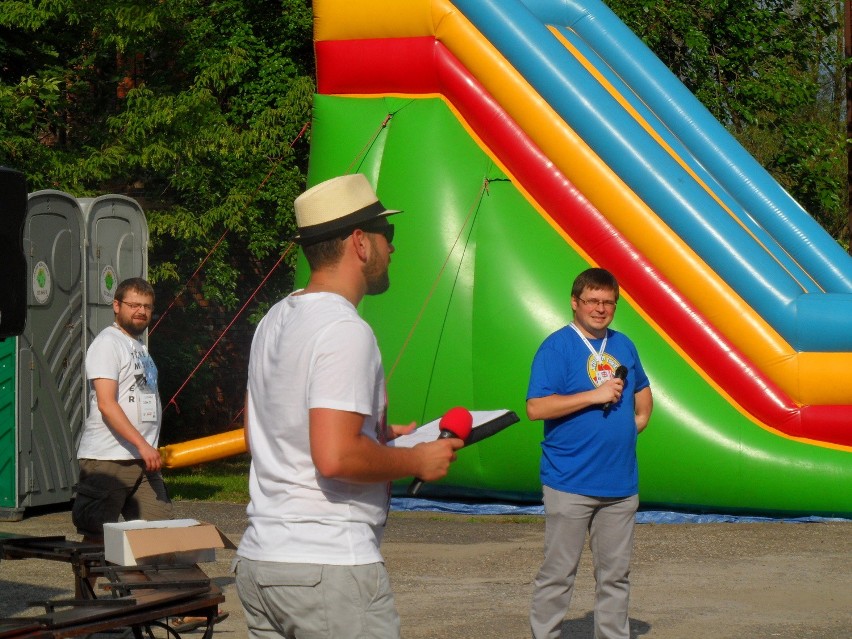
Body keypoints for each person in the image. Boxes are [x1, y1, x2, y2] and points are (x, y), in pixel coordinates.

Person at [234, 173, 464, 639]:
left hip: (262, 560)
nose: (392, 249)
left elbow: (263, 431)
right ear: (360, 243)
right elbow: (335, 456)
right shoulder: (345, 330)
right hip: (328, 565)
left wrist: (377, 440)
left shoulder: (275, 319)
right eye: (388, 235)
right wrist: (416, 458)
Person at [526, 267, 653, 639]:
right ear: (575, 302)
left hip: (620, 485)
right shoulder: (556, 346)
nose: (600, 308)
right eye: (592, 300)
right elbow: (536, 408)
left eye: (608, 302)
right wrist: (594, 396)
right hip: (570, 483)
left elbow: (642, 395)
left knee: (615, 577)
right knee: (558, 575)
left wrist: (631, 425)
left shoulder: (623, 344)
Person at [72, 277, 171, 545]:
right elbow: (106, 404)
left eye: (147, 307)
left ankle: (144, 588)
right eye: (134, 304)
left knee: (159, 535)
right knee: (97, 538)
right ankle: (86, 589)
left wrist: (146, 448)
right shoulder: (108, 343)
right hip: (109, 459)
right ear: (117, 305)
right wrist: (143, 445)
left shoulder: (139, 347)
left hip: (142, 460)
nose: (141, 311)